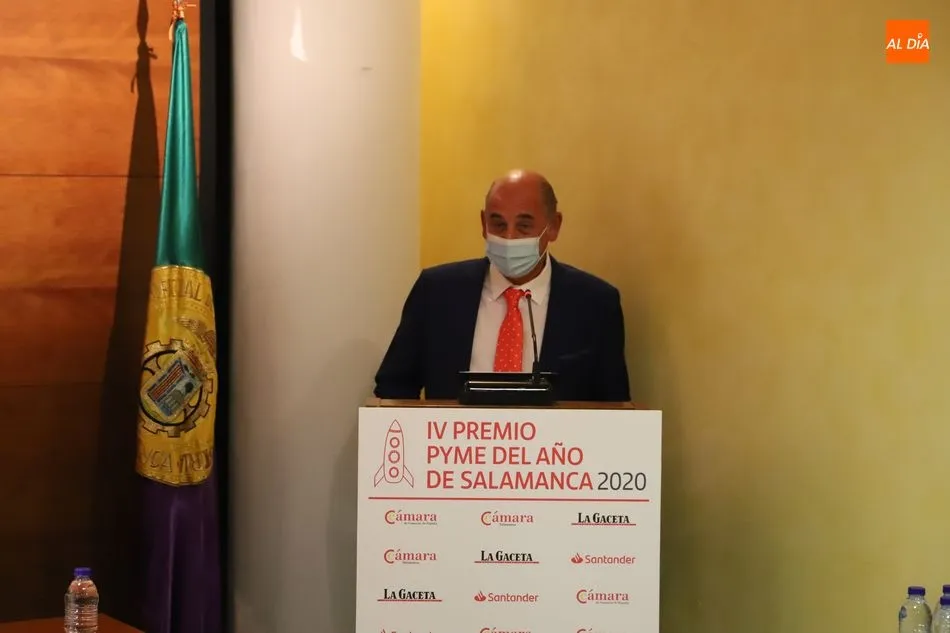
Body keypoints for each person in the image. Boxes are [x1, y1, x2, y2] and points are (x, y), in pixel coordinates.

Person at [374, 169, 630, 402]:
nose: (509, 237)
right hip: (457, 439)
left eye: (523, 226)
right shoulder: (437, 292)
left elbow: (614, 407)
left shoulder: (595, 304)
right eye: (498, 224)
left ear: (554, 226)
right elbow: (394, 386)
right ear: (483, 223)